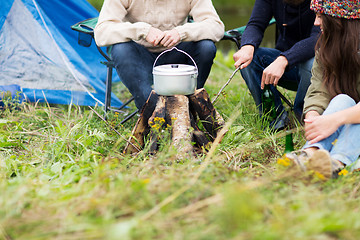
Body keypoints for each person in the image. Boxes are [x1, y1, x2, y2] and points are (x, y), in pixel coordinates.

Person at [94, 0, 224, 110]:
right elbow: (101, 31)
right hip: (139, 56)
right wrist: (142, 30)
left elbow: (216, 26)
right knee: (120, 49)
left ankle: (190, 105)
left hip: (177, 55)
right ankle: (150, 107)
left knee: (206, 46)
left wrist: (181, 32)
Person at [281, 0, 359, 180]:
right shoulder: (327, 46)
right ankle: (310, 153)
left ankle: (337, 163)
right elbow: (319, 90)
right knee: (342, 100)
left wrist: (335, 119)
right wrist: (314, 119)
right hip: (349, 115)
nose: (316, 23)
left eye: (320, 16)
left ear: (340, 19)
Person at [233, 0, 321, 130]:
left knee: (312, 62)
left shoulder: (323, 2)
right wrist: (247, 46)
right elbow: (256, 24)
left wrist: (285, 59)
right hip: (285, 67)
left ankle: (303, 117)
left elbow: (318, 38)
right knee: (251, 59)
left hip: (317, 71)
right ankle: (275, 119)